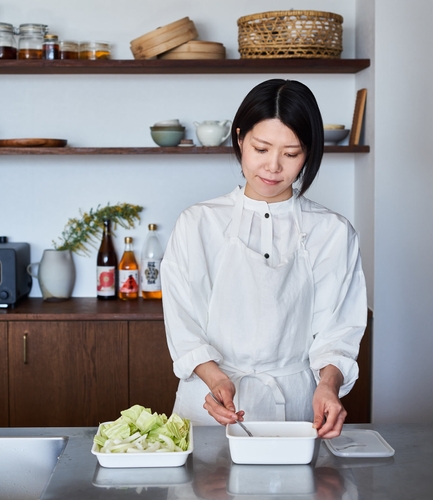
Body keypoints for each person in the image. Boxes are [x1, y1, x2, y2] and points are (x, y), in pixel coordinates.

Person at [161, 79, 367, 439]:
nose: (273, 167)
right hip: (210, 405)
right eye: (261, 148)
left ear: (309, 153)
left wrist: (329, 386)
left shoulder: (333, 232)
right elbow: (183, 323)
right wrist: (213, 376)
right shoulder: (198, 223)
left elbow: (339, 332)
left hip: (298, 410)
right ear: (240, 138)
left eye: (291, 154)